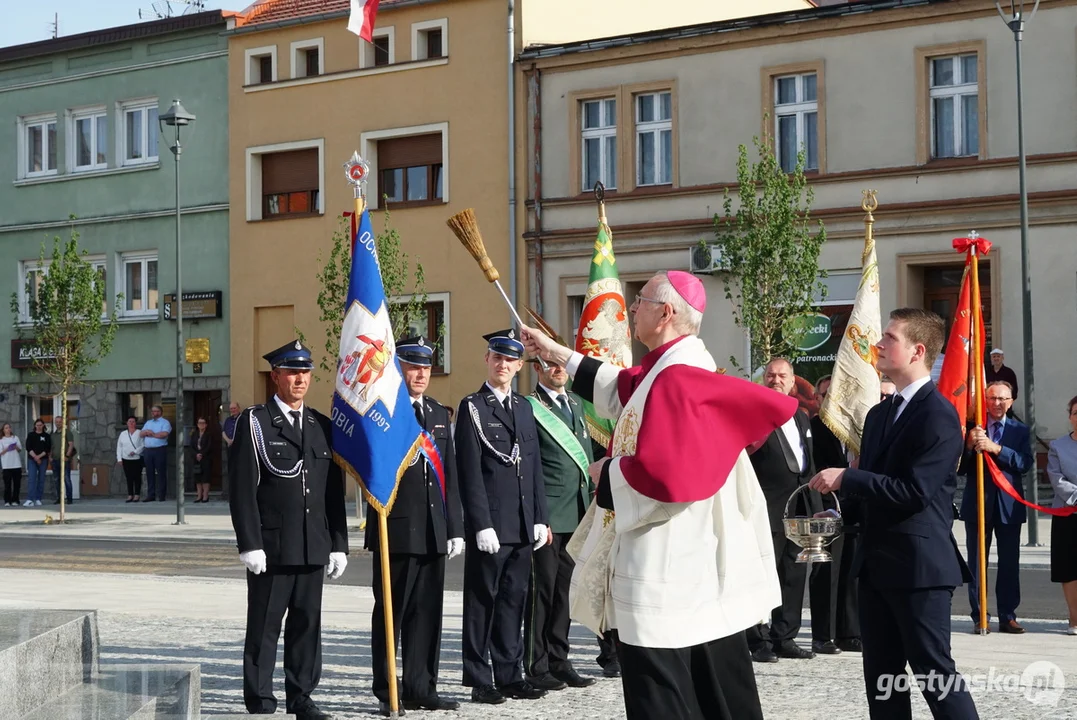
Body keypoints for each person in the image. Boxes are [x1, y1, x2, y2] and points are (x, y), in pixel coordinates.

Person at [522, 271, 796, 720]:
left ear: (666, 313)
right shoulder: (671, 367)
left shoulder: (679, 378)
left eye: (641, 300)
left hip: (668, 557)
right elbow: (621, 389)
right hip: (693, 560)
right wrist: (556, 353)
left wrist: (606, 473)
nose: (632, 308)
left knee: (665, 689)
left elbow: (668, 476)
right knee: (714, 677)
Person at [810, 308, 978, 719]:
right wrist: (835, 515)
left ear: (918, 351)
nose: (878, 345)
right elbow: (875, 485)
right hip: (876, 566)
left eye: (889, 338)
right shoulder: (880, 413)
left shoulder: (938, 415)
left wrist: (848, 480)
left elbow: (915, 492)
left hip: (920, 570)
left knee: (935, 675)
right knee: (882, 680)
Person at [229, 340, 348, 720]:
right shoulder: (256, 422)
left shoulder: (320, 426)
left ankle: (302, 697)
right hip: (273, 546)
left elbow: (333, 493)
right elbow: (242, 489)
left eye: (305, 373)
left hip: (313, 544)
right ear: (276, 376)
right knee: (265, 626)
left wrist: (339, 543)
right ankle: (261, 700)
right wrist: (250, 543)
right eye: (292, 372)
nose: (299, 379)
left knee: (306, 625)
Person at [365, 335, 464, 716]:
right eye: (413, 365)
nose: (420, 373)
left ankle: (421, 686)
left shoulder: (439, 413)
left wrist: (454, 526)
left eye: (426, 366)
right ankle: (388, 690)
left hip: (432, 529)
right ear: (397, 368)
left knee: (427, 613)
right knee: (392, 614)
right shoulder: (383, 411)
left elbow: (449, 475)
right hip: (397, 527)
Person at [456, 329, 549, 705]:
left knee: (514, 600)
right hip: (492, 526)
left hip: (523, 522)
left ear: (519, 366)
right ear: (487, 360)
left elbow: (534, 466)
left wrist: (540, 517)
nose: (503, 365)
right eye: (497, 358)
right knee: (482, 602)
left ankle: (510, 674)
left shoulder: (524, 408)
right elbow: (470, 471)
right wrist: (480, 523)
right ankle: (480, 678)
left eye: (510, 360)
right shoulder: (473, 408)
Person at [523, 356, 596, 691]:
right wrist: (539, 516)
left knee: (565, 593)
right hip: (550, 516)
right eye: (549, 365)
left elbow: (586, 460)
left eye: (561, 364)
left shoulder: (577, 405)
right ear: (537, 369)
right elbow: (530, 467)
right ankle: (536, 666)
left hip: (577, 514)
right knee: (543, 593)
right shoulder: (530, 408)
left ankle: (559, 659)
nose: (558, 370)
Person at [746, 357, 820, 662]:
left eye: (782, 375)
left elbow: (808, 465)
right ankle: (758, 640)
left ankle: (785, 636)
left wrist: (814, 507)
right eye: (771, 375)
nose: (776, 380)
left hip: (798, 510)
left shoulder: (800, 417)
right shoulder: (754, 415)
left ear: (793, 382)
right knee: (762, 575)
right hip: (765, 509)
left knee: (793, 574)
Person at [959, 380, 1032, 633]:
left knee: (1009, 562)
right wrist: (969, 446)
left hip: (1009, 505)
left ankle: (1007, 615)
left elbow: (1025, 463)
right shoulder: (973, 429)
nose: (997, 403)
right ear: (984, 401)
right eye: (992, 398)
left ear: (1011, 402)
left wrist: (997, 449)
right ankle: (980, 614)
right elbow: (959, 468)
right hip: (978, 503)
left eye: (1003, 399)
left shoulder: (1020, 430)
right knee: (977, 562)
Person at [808, 375, 859, 654]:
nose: (832, 400)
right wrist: (818, 506)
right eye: (825, 395)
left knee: (852, 571)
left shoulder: (857, 427)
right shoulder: (814, 428)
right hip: (824, 508)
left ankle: (849, 632)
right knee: (826, 572)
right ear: (817, 400)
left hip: (855, 508)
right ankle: (822, 635)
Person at [1046, 394, 1077, 635]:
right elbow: (1057, 479)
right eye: (1076, 413)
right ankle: (1074, 618)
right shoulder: (1058, 446)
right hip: (1067, 513)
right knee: (1069, 567)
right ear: (1070, 417)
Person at [141, 405, 172, 502]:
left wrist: (152, 434)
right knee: (149, 473)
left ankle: (161, 495)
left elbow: (164, 434)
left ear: (161, 412)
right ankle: (151, 495)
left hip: (159, 450)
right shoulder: (148, 422)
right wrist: (148, 433)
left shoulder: (165, 422)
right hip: (148, 450)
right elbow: (141, 434)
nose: (155, 413)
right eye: (153, 411)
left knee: (161, 473)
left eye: (157, 411)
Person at [116, 416, 145, 503]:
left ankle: (137, 495)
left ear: (135, 423)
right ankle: (130, 495)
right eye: (130, 421)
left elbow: (143, 445)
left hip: (137, 458)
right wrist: (119, 458)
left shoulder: (139, 433)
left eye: (133, 421)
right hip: (126, 458)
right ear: (127, 423)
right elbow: (119, 446)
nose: (131, 423)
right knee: (129, 477)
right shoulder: (123, 434)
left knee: (137, 477)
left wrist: (135, 451)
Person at [24, 419, 50, 507]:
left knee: (41, 479)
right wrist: (35, 457)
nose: (39, 427)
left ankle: (38, 499)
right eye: (37, 425)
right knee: (32, 479)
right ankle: (30, 499)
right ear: (35, 426)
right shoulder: (31, 435)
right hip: (32, 460)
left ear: (43, 426)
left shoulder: (46, 436)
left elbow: (47, 449)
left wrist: (39, 457)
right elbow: (28, 447)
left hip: (43, 460)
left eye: (40, 425)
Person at [190, 417, 215, 503]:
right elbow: (191, 446)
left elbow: (209, 446)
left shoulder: (209, 434)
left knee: (205, 478)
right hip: (196, 459)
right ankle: (199, 495)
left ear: (206, 425)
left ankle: (205, 496)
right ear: (197, 425)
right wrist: (196, 454)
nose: (201, 425)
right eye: (200, 423)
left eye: (203, 423)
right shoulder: (194, 434)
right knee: (198, 478)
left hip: (206, 458)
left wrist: (202, 454)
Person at [1, 423, 23, 507]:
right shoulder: (1, 440)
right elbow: (1, 452)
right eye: (6, 428)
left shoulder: (15, 438)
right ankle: (7, 500)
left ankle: (15, 500)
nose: (8, 429)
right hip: (6, 465)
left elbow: (19, 449)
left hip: (16, 464)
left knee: (17, 484)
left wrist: (15, 447)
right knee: (7, 484)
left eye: (9, 427)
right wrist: (7, 448)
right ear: (3, 430)